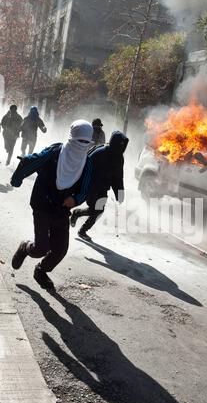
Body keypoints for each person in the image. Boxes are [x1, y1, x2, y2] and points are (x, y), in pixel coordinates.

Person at [11, 120, 93, 291]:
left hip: (62, 210)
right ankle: (25, 247)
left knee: (60, 249)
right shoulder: (55, 152)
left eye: (86, 142)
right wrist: (18, 177)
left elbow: (85, 188)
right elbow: (34, 160)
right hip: (42, 204)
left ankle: (41, 271)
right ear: (71, 138)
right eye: (79, 141)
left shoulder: (87, 164)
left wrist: (76, 200)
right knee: (41, 248)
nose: (81, 146)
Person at [71, 131, 129, 242]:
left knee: (99, 210)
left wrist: (119, 194)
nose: (122, 148)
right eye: (120, 144)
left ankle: (81, 225)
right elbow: (84, 166)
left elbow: (118, 177)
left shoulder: (119, 158)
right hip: (90, 185)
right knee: (95, 210)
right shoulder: (99, 152)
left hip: (103, 187)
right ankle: (79, 221)